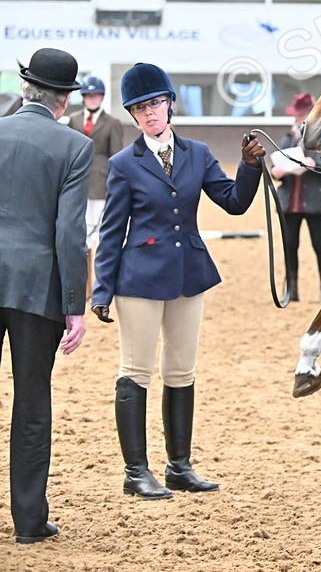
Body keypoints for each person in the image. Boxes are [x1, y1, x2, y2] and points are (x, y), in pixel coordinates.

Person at [91, 62, 266, 499]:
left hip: (189, 273)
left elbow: (234, 202)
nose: (150, 113)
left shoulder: (198, 154)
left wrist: (249, 167)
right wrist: (101, 290)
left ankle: (179, 467)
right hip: (139, 279)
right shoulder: (123, 164)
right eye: (140, 108)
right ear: (133, 115)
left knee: (181, 369)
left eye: (155, 103)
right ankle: (136, 472)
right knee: (136, 370)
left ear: (170, 103)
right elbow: (111, 232)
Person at [0, 48, 91, 544]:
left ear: (25, 89)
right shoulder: (74, 146)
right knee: (32, 401)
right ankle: (29, 521)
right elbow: (69, 234)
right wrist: (74, 306)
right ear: (64, 100)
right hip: (36, 288)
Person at [271, 93, 321, 303]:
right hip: (291, 200)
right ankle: (291, 289)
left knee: (319, 243)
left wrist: (315, 165)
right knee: (290, 244)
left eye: (303, 114)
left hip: (314, 200)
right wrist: (277, 172)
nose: (300, 119)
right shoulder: (288, 138)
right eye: (298, 115)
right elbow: (276, 163)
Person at [68, 76, 126, 306]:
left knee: (102, 238)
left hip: (102, 187)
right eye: (89, 96)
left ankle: (102, 285)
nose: (92, 99)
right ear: (83, 98)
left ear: (101, 97)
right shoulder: (73, 120)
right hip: (78, 185)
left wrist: (115, 185)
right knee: (81, 239)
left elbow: (117, 157)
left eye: (96, 96)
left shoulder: (112, 123)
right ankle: (83, 286)